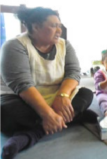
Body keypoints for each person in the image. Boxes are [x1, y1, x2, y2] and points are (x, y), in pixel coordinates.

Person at [0, 6, 98, 159]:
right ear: (35, 26)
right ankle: (73, 117)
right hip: (21, 98)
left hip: (55, 94)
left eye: (59, 25)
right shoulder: (14, 46)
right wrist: (46, 114)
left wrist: (63, 96)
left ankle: (31, 134)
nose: (59, 30)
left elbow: (73, 73)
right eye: (53, 26)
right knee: (6, 114)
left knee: (86, 94)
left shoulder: (65, 45)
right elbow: (22, 84)